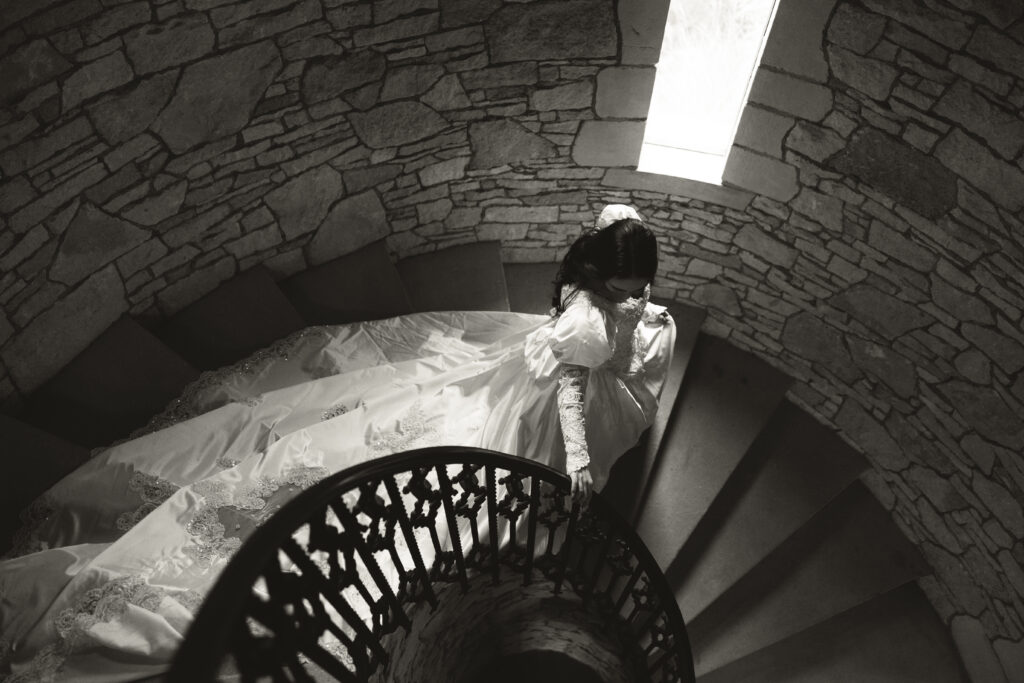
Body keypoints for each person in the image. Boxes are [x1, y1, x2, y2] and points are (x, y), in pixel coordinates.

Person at [0, 205, 675, 681]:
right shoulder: (587, 322)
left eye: (642, 288)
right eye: (627, 290)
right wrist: (578, 458)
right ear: (597, 283)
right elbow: (566, 394)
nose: (641, 301)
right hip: (546, 400)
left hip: (540, 375)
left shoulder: (607, 284)